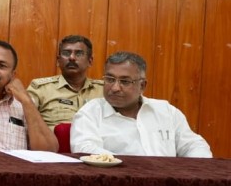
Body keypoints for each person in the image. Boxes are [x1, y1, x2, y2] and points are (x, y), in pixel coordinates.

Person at [71, 51, 211, 157]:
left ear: (142, 86)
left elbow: (193, 145)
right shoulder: (90, 113)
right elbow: (85, 148)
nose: (114, 88)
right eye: (110, 79)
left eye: (125, 81)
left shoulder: (166, 111)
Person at [26, 35, 104, 127]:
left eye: (79, 53)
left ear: (90, 61)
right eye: (66, 53)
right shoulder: (40, 89)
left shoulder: (104, 90)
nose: (72, 58)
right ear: (58, 61)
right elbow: (26, 124)